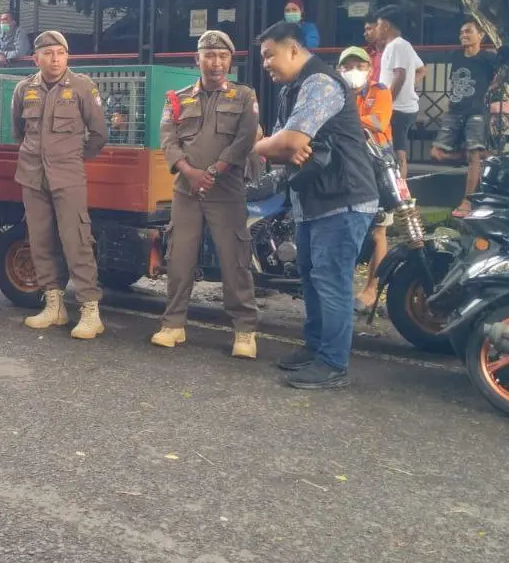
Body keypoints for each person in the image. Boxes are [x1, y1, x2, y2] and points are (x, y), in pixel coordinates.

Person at [254, 22, 380, 389]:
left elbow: (286, 141)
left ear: (293, 50)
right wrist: (282, 146)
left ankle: (332, 363)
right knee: (309, 277)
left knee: (331, 280)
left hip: (343, 200)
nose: (265, 63)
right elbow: (283, 146)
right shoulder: (290, 89)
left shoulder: (320, 83)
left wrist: (266, 146)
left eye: (268, 55)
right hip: (313, 201)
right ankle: (315, 348)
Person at [154, 30, 261, 357]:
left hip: (226, 190)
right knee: (179, 258)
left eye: (222, 56)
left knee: (235, 260)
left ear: (230, 61)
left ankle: (244, 329)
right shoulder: (177, 97)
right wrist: (191, 173)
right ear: (196, 59)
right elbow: (168, 140)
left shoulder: (244, 96)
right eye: (209, 56)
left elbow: (245, 140)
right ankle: (173, 324)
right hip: (186, 190)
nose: (216, 63)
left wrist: (214, 172)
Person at [11, 30, 109, 339]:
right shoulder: (23, 89)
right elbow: (19, 130)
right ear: (35, 57)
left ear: (68, 56)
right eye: (49, 53)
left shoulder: (82, 87)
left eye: (61, 53)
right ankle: (54, 305)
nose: (55, 59)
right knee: (40, 241)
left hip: (68, 176)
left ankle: (90, 312)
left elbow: (99, 134)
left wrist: (74, 157)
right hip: (31, 175)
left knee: (76, 241)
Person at [433, 19, 509, 218]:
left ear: (481, 35)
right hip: (454, 112)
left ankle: (468, 200)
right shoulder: (454, 56)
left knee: (473, 156)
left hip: (476, 112)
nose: (463, 35)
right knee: (437, 153)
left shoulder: (487, 58)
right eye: (461, 32)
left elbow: (505, 68)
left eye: (468, 31)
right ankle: (485, 157)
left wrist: (491, 87)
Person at [338, 46, 393, 312]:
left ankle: (372, 291)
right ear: (339, 70)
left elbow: (378, 122)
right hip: (348, 164)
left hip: (378, 162)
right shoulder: (336, 92)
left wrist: (347, 120)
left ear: (369, 69)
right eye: (348, 66)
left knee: (379, 228)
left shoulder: (379, 90)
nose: (354, 71)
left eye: (359, 66)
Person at [372, 5, 423, 180]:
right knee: (392, 149)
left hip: (397, 109)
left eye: (378, 25)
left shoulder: (397, 45)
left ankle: (401, 195)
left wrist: (386, 102)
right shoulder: (402, 45)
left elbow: (400, 75)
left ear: (386, 25)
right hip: (398, 107)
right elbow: (421, 69)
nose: (376, 29)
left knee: (397, 151)